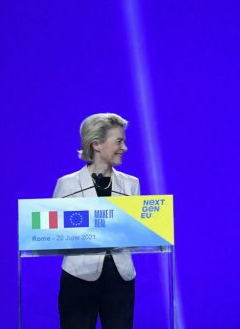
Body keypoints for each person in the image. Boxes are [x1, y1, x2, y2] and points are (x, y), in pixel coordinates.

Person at [53, 113, 140, 329]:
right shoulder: (68, 185)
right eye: (119, 141)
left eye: (124, 141)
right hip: (79, 277)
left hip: (121, 277)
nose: (124, 147)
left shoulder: (131, 184)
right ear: (97, 144)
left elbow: (137, 231)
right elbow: (55, 234)